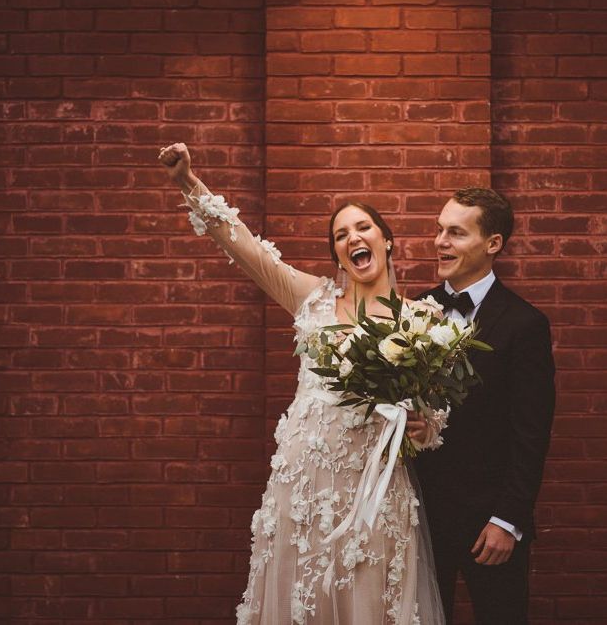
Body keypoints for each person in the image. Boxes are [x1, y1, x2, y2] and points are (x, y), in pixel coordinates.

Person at [159, 142, 445, 624]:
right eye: (340, 235)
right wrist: (189, 182)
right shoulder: (312, 297)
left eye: (363, 227)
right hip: (303, 481)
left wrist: (424, 427)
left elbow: (434, 415)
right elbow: (244, 247)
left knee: (372, 600)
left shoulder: (423, 319)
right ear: (336, 252)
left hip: (372, 487)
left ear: (386, 240)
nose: (352, 237)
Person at [414, 188, 556, 624]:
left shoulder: (524, 324)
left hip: (489, 525)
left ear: (492, 243)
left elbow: (530, 433)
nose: (440, 242)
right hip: (418, 520)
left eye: (455, 233)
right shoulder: (411, 313)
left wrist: (508, 520)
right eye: (439, 230)